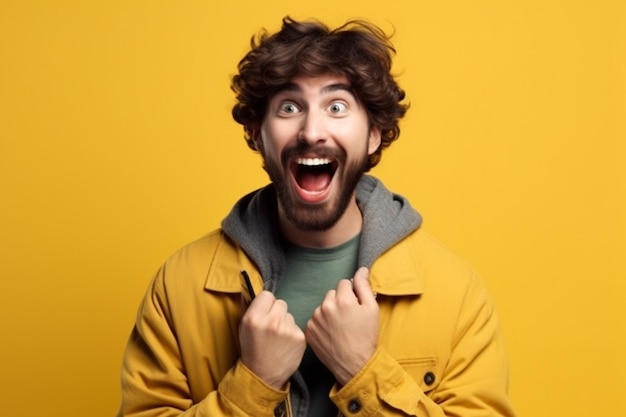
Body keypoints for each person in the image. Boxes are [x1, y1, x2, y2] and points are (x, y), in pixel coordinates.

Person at [116, 16, 516, 417]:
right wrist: (254, 384)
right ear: (257, 132)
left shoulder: (455, 294)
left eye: (337, 107)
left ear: (374, 132)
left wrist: (363, 371)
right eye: (289, 107)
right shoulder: (179, 286)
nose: (311, 131)